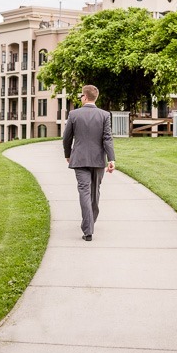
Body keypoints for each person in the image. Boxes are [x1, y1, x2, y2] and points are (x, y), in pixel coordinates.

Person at [63, 85, 115, 241]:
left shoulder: (73, 114)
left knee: (84, 192)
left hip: (79, 160)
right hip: (98, 160)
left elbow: (66, 138)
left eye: (81, 96)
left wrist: (68, 154)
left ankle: (88, 229)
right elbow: (107, 138)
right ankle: (90, 225)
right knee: (94, 192)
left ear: (85, 97)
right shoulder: (105, 115)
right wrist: (111, 159)